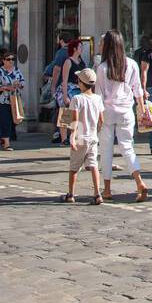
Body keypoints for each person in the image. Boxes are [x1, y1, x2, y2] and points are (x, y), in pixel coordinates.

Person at [95, 30, 149, 203]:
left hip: (107, 111)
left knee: (106, 150)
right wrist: (142, 110)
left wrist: (97, 117)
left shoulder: (103, 68)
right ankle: (139, 182)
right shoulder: (131, 64)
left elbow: (99, 95)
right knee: (128, 147)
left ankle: (108, 189)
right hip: (126, 110)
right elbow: (138, 90)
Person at [63, 67, 104, 204]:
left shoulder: (76, 99)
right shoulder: (97, 98)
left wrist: (71, 137)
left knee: (74, 168)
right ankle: (98, 193)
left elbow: (73, 120)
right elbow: (101, 119)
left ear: (81, 83)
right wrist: (97, 130)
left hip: (80, 137)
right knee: (93, 166)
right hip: (92, 137)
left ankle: (71, 194)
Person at [0, 52, 26, 151]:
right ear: (3, 61)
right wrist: (8, 87)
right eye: (8, 59)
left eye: (12, 59)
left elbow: (23, 82)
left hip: (14, 100)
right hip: (1, 101)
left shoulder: (17, 71)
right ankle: (6, 144)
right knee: (5, 122)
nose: (11, 61)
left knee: (13, 121)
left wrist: (19, 84)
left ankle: (5, 137)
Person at [58, 38, 89, 146]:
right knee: (66, 113)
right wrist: (65, 95)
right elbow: (64, 79)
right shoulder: (68, 61)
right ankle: (63, 138)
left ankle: (77, 135)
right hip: (70, 88)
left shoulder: (81, 62)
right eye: (80, 47)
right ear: (75, 49)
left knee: (79, 114)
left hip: (79, 89)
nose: (82, 49)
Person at [47, 30, 72, 145]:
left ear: (61, 40)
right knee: (65, 111)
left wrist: (53, 86)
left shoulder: (61, 52)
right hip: (72, 87)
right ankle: (64, 134)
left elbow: (56, 70)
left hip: (64, 87)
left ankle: (60, 133)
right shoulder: (74, 53)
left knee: (61, 110)